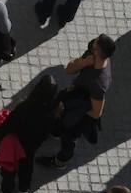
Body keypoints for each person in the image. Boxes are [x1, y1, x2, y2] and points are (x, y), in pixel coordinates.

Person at [0, 74, 62, 193]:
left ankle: (6, 192)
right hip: (33, 144)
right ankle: (24, 188)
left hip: (17, 142)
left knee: (9, 167)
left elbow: (8, 125)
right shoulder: (54, 110)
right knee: (27, 164)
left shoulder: (25, 108)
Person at [38, 36, 116, 169]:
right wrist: (84, 63)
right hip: (73, 95)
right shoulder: (91, 55)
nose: (92, 42)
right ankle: (56, 131)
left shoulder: (99, 84)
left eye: (95, 43)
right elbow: (69, 69)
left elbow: (96, 113)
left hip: (82, 114)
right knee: (57, 115)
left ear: (97, 51)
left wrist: (74, 111)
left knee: (69, 138)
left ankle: (60, 161)